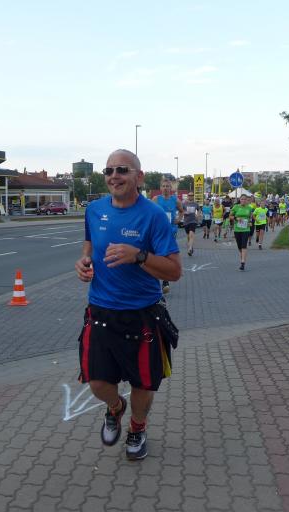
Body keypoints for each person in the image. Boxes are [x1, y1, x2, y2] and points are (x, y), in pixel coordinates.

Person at [75, 149, 182, 461]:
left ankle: (137, 427)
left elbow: (174, 271)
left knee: (142, 383)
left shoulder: (153, 216)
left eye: (122, 170)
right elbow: (88, 246)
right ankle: (115, 407)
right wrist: (83, 263)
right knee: (97, 382)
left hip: (142, 315)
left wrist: (139, 256)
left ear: (139, 177)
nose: (114, 176)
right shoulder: (94, 210)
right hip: (101, 312)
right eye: (108, 171)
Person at [153, 179, 183, 293]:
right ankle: (157, 278)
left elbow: (181, 211)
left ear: (171, 188)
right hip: (158, 231)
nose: (165, 188)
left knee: (166, 254)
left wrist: (178, 219)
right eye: (164, 186)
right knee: (157, 253)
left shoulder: (175, 200)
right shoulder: (156, 199)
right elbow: (149, 212)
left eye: (167, 186)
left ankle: (165, 281)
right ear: (160, 188)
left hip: (171, 230)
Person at [229, 194, 253, 270]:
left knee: (244, 245)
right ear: (240, 200)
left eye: (245, 199)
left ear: (247, 200)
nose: (243, 200)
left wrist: (250, 222)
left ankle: (243, 262)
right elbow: (230, 216)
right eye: (242, 199)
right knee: (239, 246)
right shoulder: (236, 207)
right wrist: (236, 218)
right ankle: (243, 255)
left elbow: (251, 217)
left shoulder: (249, 208)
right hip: (237, 229)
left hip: (246, 229)